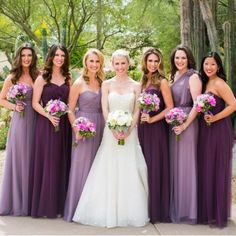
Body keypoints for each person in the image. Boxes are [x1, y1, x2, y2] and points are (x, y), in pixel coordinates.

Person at [72, 49, 149, 228]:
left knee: (129, 166)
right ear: (112, 65)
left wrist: (129, 129)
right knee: (109, 166)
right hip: (110, 132)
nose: (120, 67)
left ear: (128, 64)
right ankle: (105, 210)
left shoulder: (137, 86)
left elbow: (137, 109)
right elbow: (105, 109)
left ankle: (128, 211)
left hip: (130, 132)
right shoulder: (106, 84)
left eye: (123, 63)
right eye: (117, 63)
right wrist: (112, 127)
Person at [30, 44, 72, 218]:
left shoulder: (68, 78)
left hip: (63, 126)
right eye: (57, 55)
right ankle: (46, 205)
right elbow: (34, 103)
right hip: (46, 124)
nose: (60, 58)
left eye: (63, 56)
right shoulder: (42, 77)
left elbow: (70, 102)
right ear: (51, 57)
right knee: (48, 161)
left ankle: (60, 205)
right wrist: (48, 115)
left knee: (61, 160)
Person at [64, 49, 105, 222]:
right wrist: (77, 129)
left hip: (101, 125)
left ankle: (94, 210)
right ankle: (76, 208)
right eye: (91, 61)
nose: (94, 64)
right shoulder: (78, 83)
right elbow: (70, 109)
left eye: (97, 61)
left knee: (98, 167)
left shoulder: (104, 82)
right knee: (82, 167)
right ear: (85, 62)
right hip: (84, 126)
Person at [197, 52, 236, 228]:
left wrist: (216, 118)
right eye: (206, 64)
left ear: (218, 66)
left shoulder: (220, 83)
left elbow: (234, 104)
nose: (209, 67)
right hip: (207, 130)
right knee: (207, 168)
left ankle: (218, 214)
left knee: (218, 169)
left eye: (212, 64)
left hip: (219, 130)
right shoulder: (206, 83)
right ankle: (209, 212)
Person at [0, 43, 38, 215]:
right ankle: (16, 202)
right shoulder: (12, 78)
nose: (26, 58)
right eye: (23, 55)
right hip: (20, 123)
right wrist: (15, 106)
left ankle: (31, 202)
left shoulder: (37, 76)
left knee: (32, 158)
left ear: (33, 57)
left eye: (29, 55)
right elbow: (1, 99)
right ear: (19, 57)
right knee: (20, 158)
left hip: (36, 120)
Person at [138, 48, 173, 223]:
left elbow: (169, 107)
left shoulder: (162, 82)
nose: (152, 64)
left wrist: (152, 119)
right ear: (145, 62)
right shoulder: (143, 80)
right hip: (142, 128)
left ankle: (157, 209)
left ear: (160, 63)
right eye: (150, 61)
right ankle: (144, 206)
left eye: (155, 61)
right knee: (143, 166)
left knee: (154, 165)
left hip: (156, 129)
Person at [169, 45, 202, 223]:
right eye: (177, 58)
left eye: (183, 58)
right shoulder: (173, 76)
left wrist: (184, 126)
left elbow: (197, 105)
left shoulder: (193, 76)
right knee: (176, 165)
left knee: (186, 165)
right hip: (174, 123)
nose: (180, 61)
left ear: (189, 59)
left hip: (188, 124)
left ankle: (188, 210)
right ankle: (177, 205)